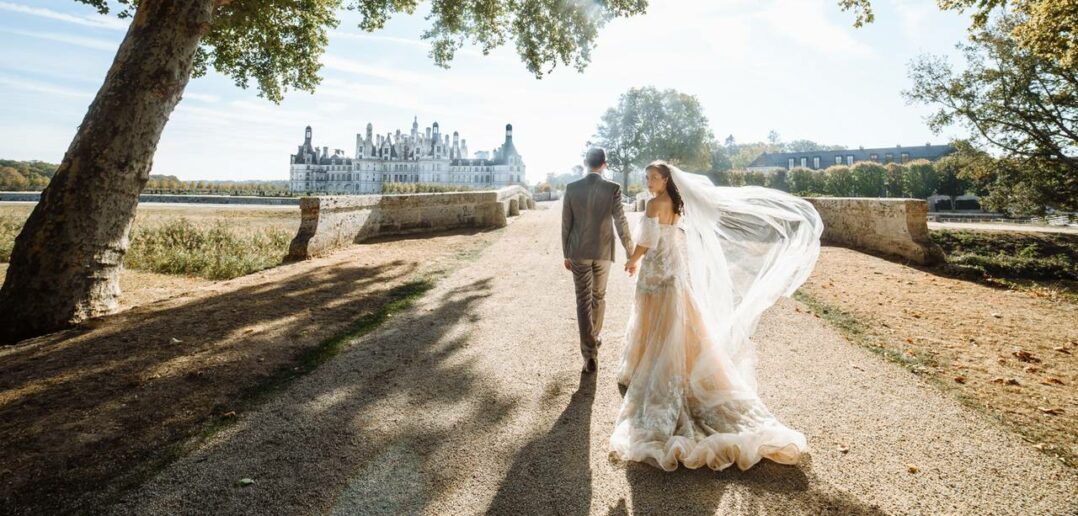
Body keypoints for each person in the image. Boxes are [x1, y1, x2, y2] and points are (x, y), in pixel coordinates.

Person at [611, 159, 824, 471]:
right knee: (677, 320)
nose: (648, 182)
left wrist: (632, 260)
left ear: (666, 179)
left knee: (654, 319)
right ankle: (674, 362)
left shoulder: (655, 204)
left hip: (657, 268)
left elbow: (647, 241)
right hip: (675, 269)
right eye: (647, 177)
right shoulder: (678, 202)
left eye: (653, 178)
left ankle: (651, 366)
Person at [561, 147, 634, 373]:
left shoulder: (571, 188)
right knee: (599, 296)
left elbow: (566, 223)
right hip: (603, 251)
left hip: (579, 251)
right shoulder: (613, 188)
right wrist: (630, 251)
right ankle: (594, 336)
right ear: (605, 164)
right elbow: (620, 221)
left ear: (585, 162)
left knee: (583, 301)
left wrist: (566, 252)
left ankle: (589, 354)